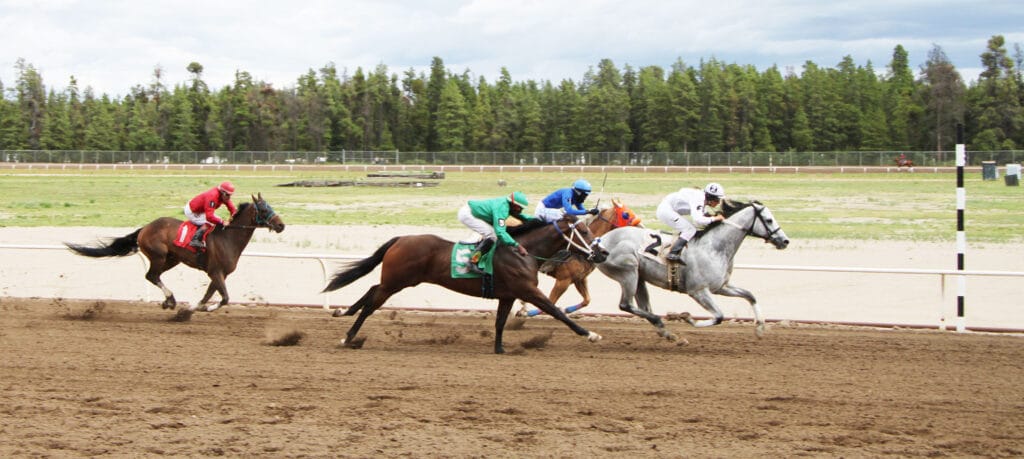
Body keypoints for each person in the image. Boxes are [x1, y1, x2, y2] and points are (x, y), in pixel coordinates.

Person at [457, 191, 535, 273]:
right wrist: (518, 246)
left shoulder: (508, 205)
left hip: (475, 212)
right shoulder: (501, 209)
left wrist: (536, 220)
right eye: (520, 207)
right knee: (492, 235)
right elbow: (500, 233)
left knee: (492, 234)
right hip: (468, 214)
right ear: (513, 204)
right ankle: (472, 262)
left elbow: (520, 215)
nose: (521, 210)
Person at [655, 182, 726, 264]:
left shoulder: (702, 198)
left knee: (691, 228)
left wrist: (716, 219)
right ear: (711, 198)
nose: (719, 202)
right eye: (717, 200)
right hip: (666, 210)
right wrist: (715, 218)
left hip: (668, 209)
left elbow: (704, 218)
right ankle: (672, 253)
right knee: (690, 230)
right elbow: (698, 220)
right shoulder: (699, 198)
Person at [184, 181, 237, 249]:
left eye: (230, 195)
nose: (229, 197)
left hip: (201, 209)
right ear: (222, 192)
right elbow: (209, 217)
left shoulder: (224, 195)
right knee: (211, 222)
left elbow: (232, 208)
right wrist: (223, 222)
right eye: (228, 195)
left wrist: (235, 215)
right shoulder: (212, 196)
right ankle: (195, 240)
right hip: (192, 211)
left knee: (217, 219)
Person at [534, 179, 598, 223]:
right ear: (579, 192)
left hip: (550, 212)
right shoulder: (567, 193)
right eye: (584, 195)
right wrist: (588, 211)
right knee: (566, 215)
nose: (585, 197)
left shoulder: (576, 197)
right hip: (541, 211)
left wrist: (592, 212)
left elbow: (582, 210)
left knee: (571, 217)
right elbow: (569, 211)